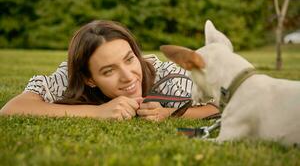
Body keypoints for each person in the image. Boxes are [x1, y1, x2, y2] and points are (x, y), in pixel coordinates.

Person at [0, 20, 219, 121]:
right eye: (108, 71)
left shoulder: (171, 78)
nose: (128, 76)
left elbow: (220, 105)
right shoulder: (69, 78)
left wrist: (170, 114)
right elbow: (12, 109)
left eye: (129, 59)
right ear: (89, 79)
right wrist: (97, 112)